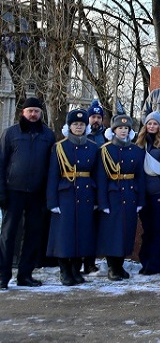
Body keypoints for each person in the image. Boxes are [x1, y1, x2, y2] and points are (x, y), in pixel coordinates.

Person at [0, 96, 55, 289]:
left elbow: (52, 167)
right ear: (23, 112)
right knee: (8, 234)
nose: (33, 114)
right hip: (13, 191)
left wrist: (48, 194)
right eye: (30, 111)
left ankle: (25, 275)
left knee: (32, 235)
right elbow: (1, 163)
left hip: (37, 193)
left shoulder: (48, 135)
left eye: (36, 111)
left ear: (41, 113)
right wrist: (1, 192)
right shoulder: (10, 133)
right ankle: (3, 275)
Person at [47, 107, 100, 286]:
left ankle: (76, 270)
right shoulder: (59, 147)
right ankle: (64, 270)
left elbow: (97, 175)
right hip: (66, 195)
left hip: (86, 194)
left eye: (82, 124)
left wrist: (97, 200)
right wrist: (52, 201)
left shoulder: (93, 147)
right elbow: (53, 175)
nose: (78, 127)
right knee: (65, 234)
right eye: (75, 124)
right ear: (69, 126)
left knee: (82, 234)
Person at [96, 112, 146, 280]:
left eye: (126, 128)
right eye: (120, 128)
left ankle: (120, 265)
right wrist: (102, 202)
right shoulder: (105, 150)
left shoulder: (136, 151)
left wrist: (140, 200)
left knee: (127, 231)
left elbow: (140, 177)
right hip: (113, 195)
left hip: (130, 194)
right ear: (114, 130)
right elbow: (101, 178)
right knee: (113, 232)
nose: (123, 131)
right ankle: (113, 267)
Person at [134, 111, 160, 275]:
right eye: (149, 123)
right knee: (147, 230)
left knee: (159, 230)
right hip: (143, 194)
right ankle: (145, 261)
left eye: (155, 123)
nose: (152, 126)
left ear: (159, 126)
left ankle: (154, 264)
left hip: (159, 193)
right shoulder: (139, 144)